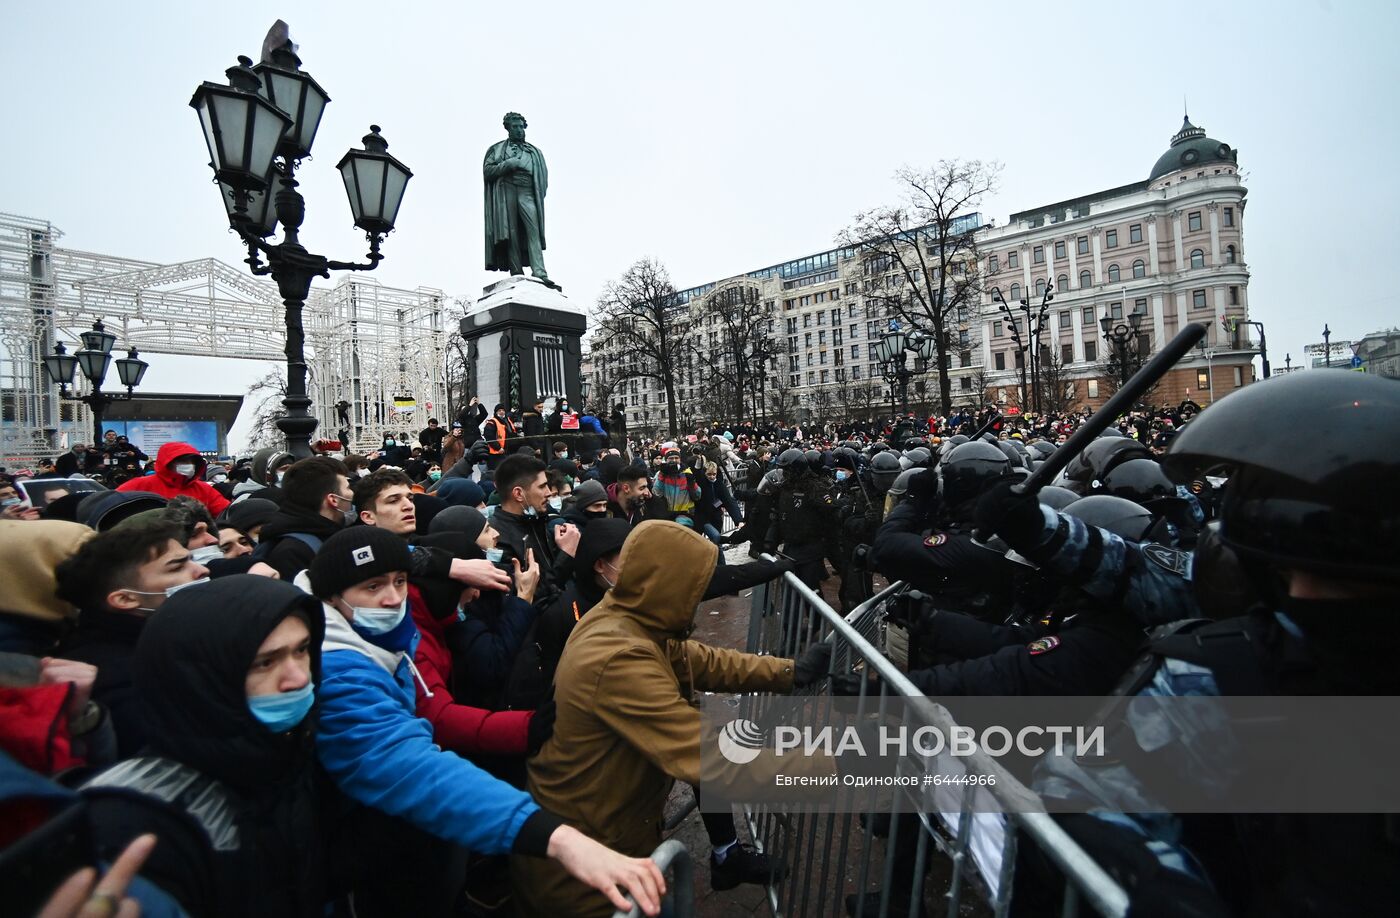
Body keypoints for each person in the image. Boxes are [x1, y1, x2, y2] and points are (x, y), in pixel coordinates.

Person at [980, 371, 1400, 915]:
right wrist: (1151, 883)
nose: (1305, 600)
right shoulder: (1225, 673)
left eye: (1345, 587)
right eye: (1287, 579)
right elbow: (1089, 788)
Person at [304, 527, 664, 917]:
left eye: (400, 581)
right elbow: (410, 765)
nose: (392, 599)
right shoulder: (341, 670)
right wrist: (553, 837)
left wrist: (451, 564)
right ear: (330, 596)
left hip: (405, 843)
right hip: (375, 855)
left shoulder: (381, 638)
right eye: (372, 588)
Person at [512, 521, 822, 916]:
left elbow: (699, 660)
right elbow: (716, 761)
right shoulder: (619, 655)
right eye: (693, 588)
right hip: (585, 877)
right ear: (668, 585)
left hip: (608, 849)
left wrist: (790, 672)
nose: (698, 600)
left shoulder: (629, 618)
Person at [79, 575, 334, 918]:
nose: (299, 677)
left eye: (302, 650)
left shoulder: (290, 747)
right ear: (201, 678)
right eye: (264, 662)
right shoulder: (137, 820)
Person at [55, 519, 209, 756]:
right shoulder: (114, 679)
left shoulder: (177, 633)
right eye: (177, 567)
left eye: (191, 560)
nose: (202, 570)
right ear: (125, 599)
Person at [483, 111, 554, 287]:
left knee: (533, 230)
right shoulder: (497, 149)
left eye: (521, 127)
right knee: (511, 231)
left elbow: (543, 178)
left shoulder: (534, 152)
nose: (519, 130)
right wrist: (509, 164)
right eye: (515, 127)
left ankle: (540, 271)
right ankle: (516, 270)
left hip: (528, 190)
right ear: (508, 128)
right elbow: (487, 171)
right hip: (506, 188)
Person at [255, 458, 352, 581]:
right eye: (348, 488)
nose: (352, 493)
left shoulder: (330, 533)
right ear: (333, 500)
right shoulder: (292, 552)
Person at [115, 441, 229, 516]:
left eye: (192, 461)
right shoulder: (139, 485)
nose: (189, 465)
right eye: (183, 461)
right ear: (168, 463)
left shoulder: (204, 489)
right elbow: (110, 507)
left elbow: (227, 513)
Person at [482, 403, 520, 470]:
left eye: (503, 410)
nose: (501, 412)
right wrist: (498, 448)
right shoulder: (492, 423)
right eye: (499, 410)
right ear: (496, 412)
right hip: (496, 454)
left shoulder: (506, 420)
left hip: (507, 452)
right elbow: (489, 437)